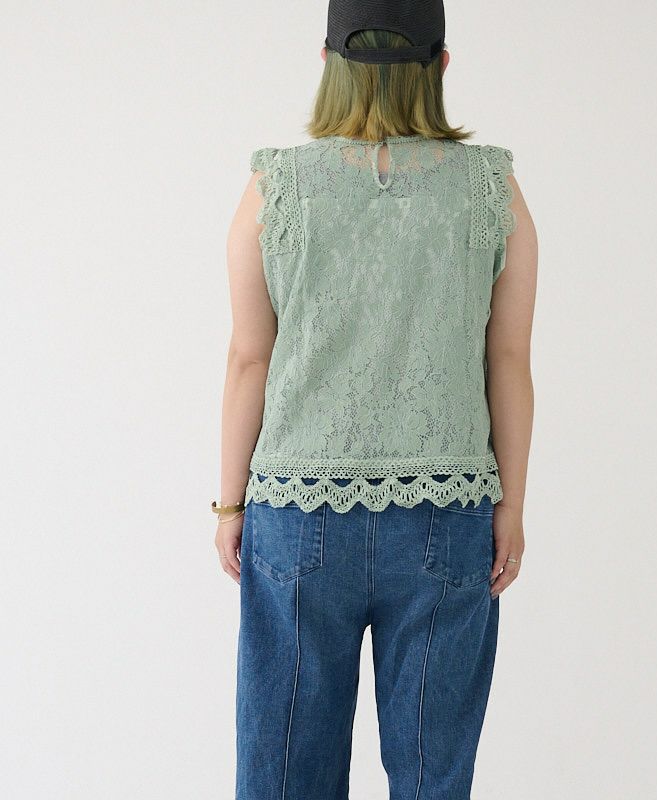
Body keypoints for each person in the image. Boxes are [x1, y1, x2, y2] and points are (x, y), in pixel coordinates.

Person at [213, 1, 538, 797]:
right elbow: (508, 359)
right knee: (433, 775)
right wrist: (511, 506)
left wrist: (229, 507)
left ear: (328, 62)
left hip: (297, 512)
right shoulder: (491, 188)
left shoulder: (275, 187)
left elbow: (250, 359)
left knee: (284, 774)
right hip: (447, 511)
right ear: (442, 66)